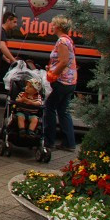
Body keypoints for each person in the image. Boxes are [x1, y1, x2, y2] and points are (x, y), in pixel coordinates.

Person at [43, 15, 78, 151]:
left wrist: (53, 73)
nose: (51, 27)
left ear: (58, 27)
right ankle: (69, 143)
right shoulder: (68, 40)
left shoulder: (62, 41)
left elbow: (63, 61)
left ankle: (49, 141)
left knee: (49, 108)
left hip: (62, 81)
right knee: (63, 110)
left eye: (52, 25)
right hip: (70, 81)